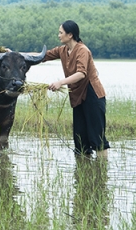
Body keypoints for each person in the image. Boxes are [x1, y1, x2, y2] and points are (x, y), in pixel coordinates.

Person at [44, 20, 109, 158]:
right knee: (80, 139)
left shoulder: (82, 50)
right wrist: (15, 54)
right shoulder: (62, 50)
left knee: (97, 138)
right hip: (77, 97)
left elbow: (81, 73)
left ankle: (102, 172)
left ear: (70, 35)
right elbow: (42, 55)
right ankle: (83, 173)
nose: (58, 35)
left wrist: (60, 82)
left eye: (61, 32)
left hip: (92, 95)